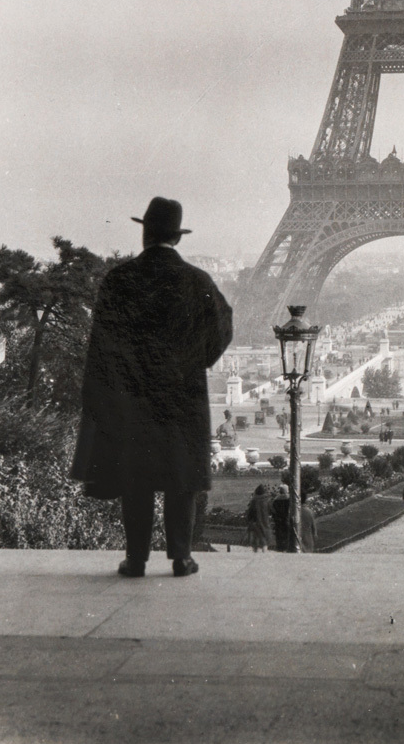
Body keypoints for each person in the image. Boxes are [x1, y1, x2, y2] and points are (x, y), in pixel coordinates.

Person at [71, 197, 233, 579]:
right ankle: (181, 557)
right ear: (177, 237)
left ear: (145, 232)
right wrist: (194, 361)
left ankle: (136, 559)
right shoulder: (198, 280)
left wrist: (106, 391)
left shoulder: (120, 279)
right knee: (182, 480)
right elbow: (222, 329)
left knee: (135, 480)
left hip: (133, 398)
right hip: (182, 397)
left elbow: (102, 344)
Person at [246, 484, 273, 552]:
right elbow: (272, 511)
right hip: (265, 522)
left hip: (256, 523)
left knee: (256, 541)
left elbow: (250, 513)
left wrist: (249, 520)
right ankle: (264, 554)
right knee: (264, 542)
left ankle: (255, 554)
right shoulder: (267, 501)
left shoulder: (254, 501)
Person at [270, 482, 291, 551]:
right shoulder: (289, 499)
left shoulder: (276, 500)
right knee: (287, 534)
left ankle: (279, 547)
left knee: (279, 535)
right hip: (286, 519)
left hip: (278, 520)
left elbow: (272, 510)